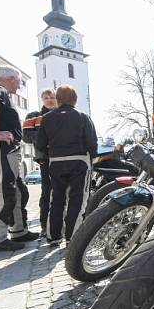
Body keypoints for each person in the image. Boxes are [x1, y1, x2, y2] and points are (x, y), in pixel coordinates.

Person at [0, 66, 39, 251]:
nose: (19, 85)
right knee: (3, 190)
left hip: (6, 148)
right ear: (10, 79)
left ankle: (18, 231)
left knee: (18, 189)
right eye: (19, 81)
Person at [36, 85, 98, 246]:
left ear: (58, 99)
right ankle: (72, 236)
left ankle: (53, 236)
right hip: (79, 161)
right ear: (74, 99)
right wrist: (92, 158)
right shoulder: (83, 117)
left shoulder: (47, 118)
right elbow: (92, 142)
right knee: (77, 199)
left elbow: (40, 144)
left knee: (56, 199)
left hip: (56, 162)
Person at [22, 89, 58, 237]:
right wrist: (46, 136)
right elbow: (26, 136)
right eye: (46, 97)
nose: (49, 100)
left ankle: (60, 225)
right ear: (42, 99)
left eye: (52, 97)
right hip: (45, 158)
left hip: (63, 157)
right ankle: (44, 225)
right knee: (47, 192)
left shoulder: (62, 114)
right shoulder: (34, 116)